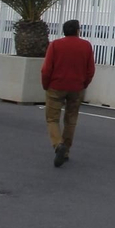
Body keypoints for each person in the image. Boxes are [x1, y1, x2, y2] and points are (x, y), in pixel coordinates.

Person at [41, 19, 95, 168]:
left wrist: (46, 85)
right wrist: (84, 84)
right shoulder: (86, 46)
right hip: (76, 87)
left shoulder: (55, 45)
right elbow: (90, 70)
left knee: (52, 119)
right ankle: (66, 151)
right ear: (78, 31)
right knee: (71, 120)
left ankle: (58, 145)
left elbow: (46, 69)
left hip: (56, 86)